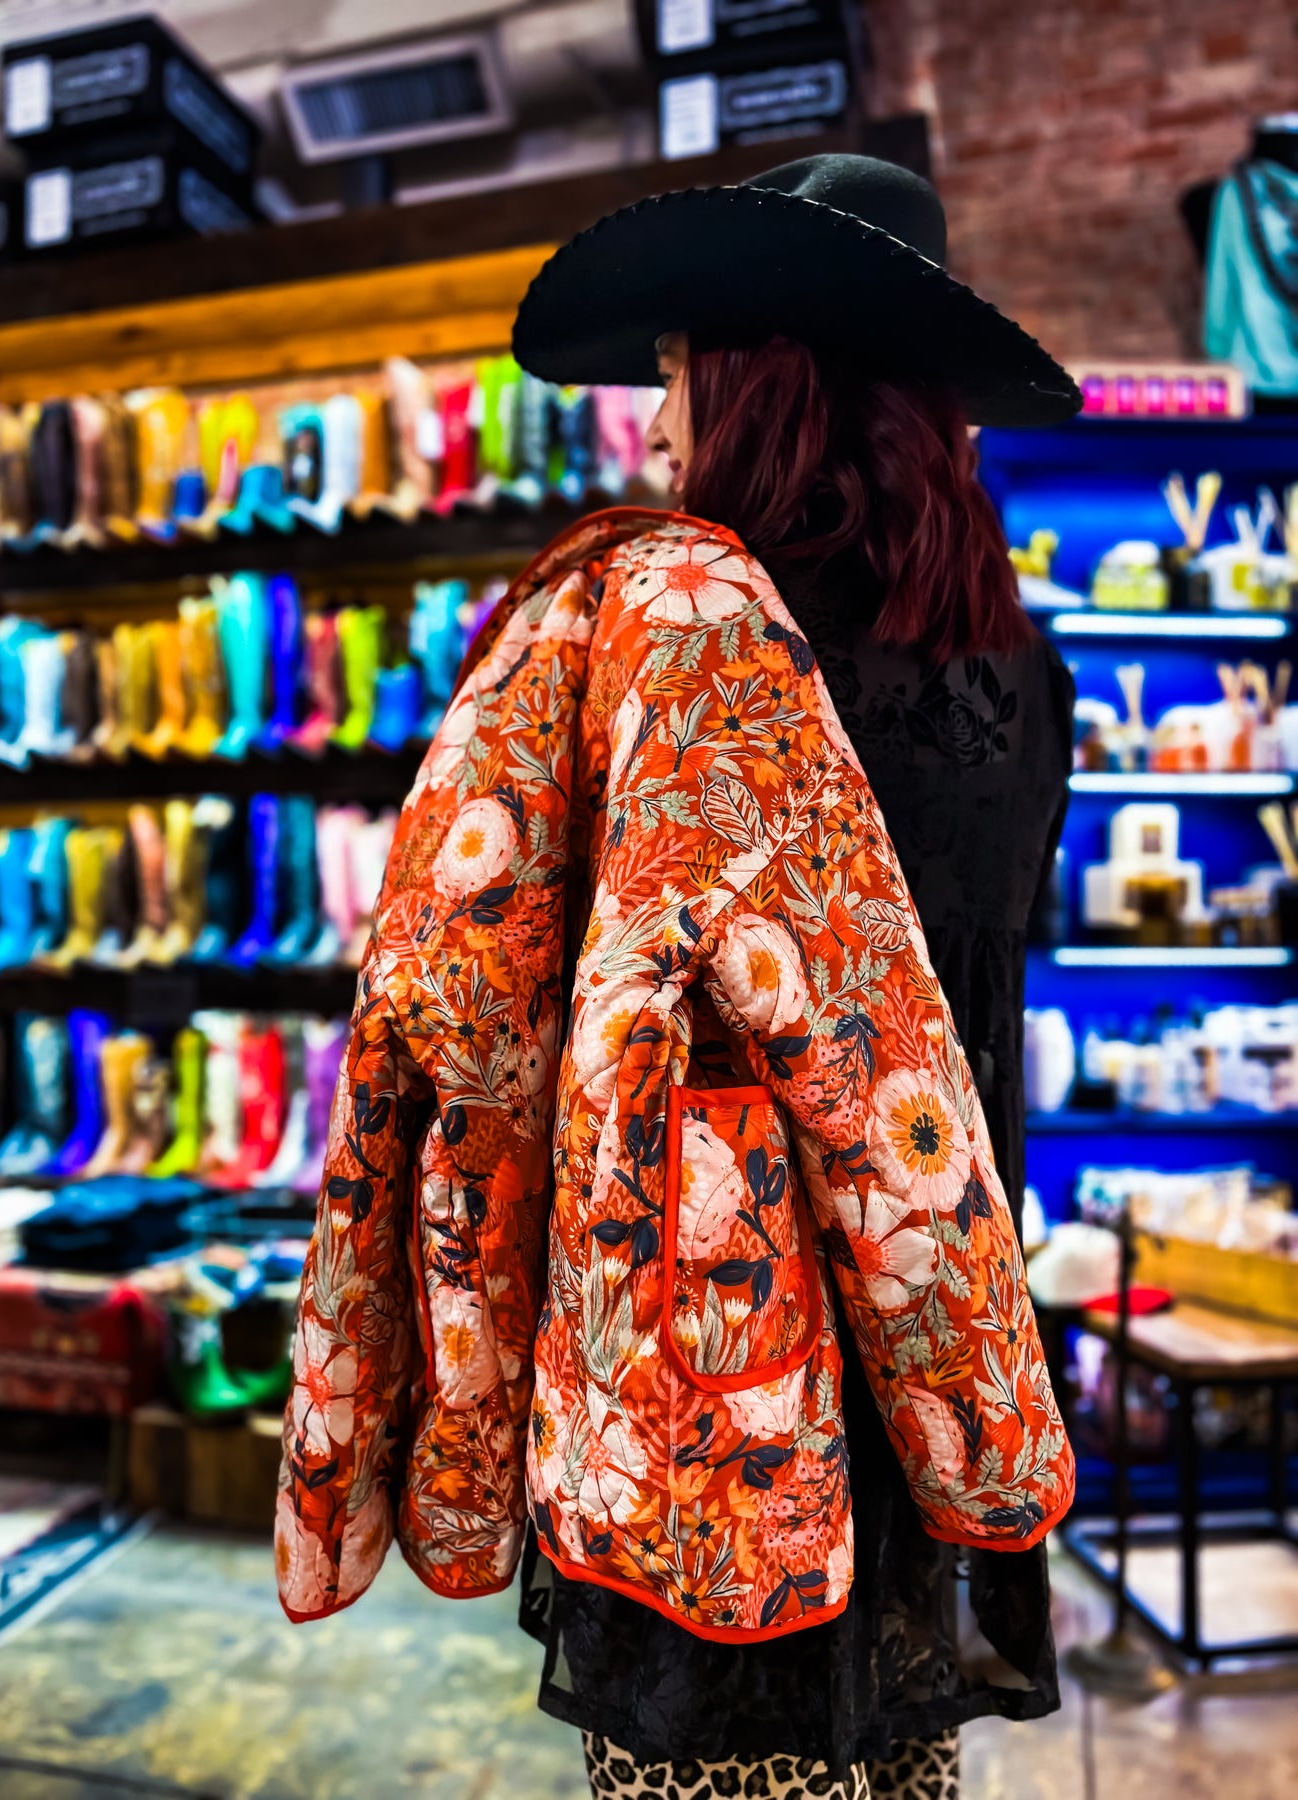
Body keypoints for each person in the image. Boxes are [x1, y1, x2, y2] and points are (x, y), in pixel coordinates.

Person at [277, 156, 1079, 1800]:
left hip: (717, 1352)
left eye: (671, 373)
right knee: (899, 1757)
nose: (651, 424)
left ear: (767, 383)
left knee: (707, 1764)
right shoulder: (1026, 673)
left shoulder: (672, 654)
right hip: (940, 1320)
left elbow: (515, 1012)